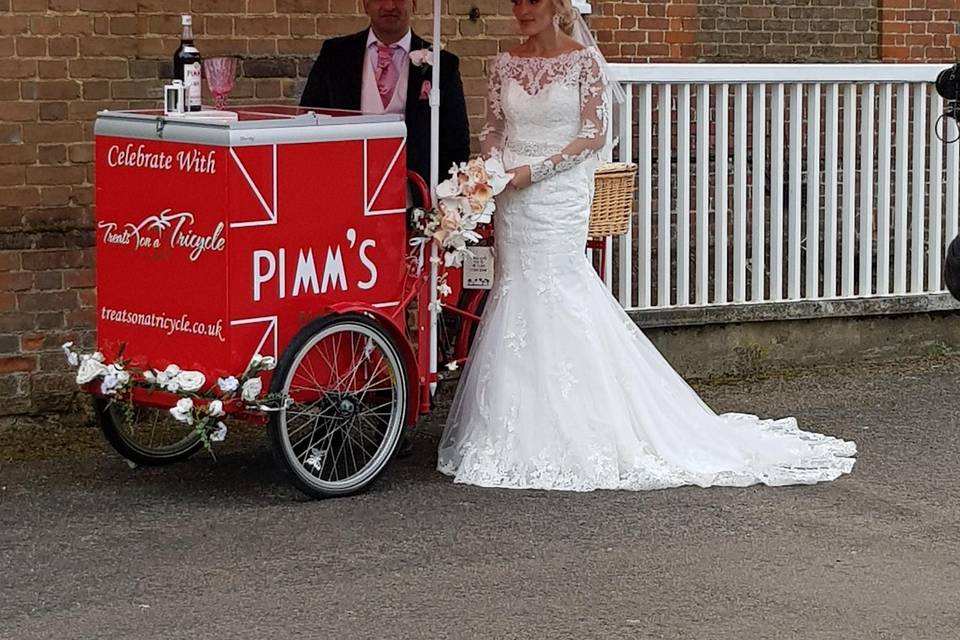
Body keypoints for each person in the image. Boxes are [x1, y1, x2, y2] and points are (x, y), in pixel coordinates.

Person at [436, 0, 857, 491]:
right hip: (511, 198)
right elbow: (493, 128)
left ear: (555, 5)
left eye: (532, 0)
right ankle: (509, 427)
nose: (522, 10)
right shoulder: (504, 63)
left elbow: (593, 136)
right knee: (515, 292)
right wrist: (488, 172)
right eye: (517, 1)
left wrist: (534, 171)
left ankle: (588, 424)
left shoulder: (584, 62)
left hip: (557, 191)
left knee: (559, 291)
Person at [299, 0, 471, 186]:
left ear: (414, 4)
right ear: (365, 4)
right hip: (346, 186)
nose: (390, 6)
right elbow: (308, 121)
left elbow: (456, 141)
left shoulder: (442, 65)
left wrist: (440, 199)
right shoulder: (335, 54)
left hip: (415, 194)